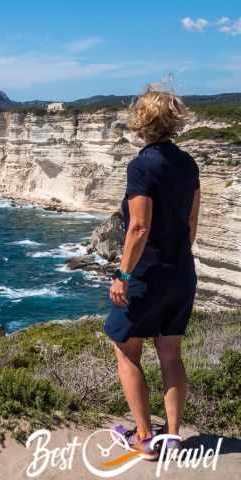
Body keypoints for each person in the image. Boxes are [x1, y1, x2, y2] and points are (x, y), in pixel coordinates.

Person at [104, 88, 201, 460]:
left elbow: (138, 228)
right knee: (171, 354)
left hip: (147, 275)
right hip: (180, 271)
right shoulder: (188, 163)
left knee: (126, 351)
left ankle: (144, 437)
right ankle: (172, 435)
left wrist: (123, 275)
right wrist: (177, 258)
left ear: (141, 121)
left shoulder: (142, 166)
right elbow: (191, 222)